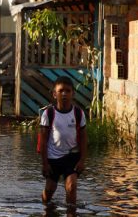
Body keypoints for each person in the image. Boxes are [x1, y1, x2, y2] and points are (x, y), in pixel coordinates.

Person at [39, 76, 87, 213]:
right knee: (49, 191)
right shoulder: (48, 114)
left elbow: (83, 138)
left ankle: (71, 213)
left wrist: (82, 160)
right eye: (61, 91)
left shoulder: (78, 113)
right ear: (55, 94)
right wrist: (45, 164)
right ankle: (46, 210)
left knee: (71, 188)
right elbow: (43, 141)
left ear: (73, 93)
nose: (64, 94)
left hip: (71, 157)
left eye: (68, 91)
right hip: (53, 158)